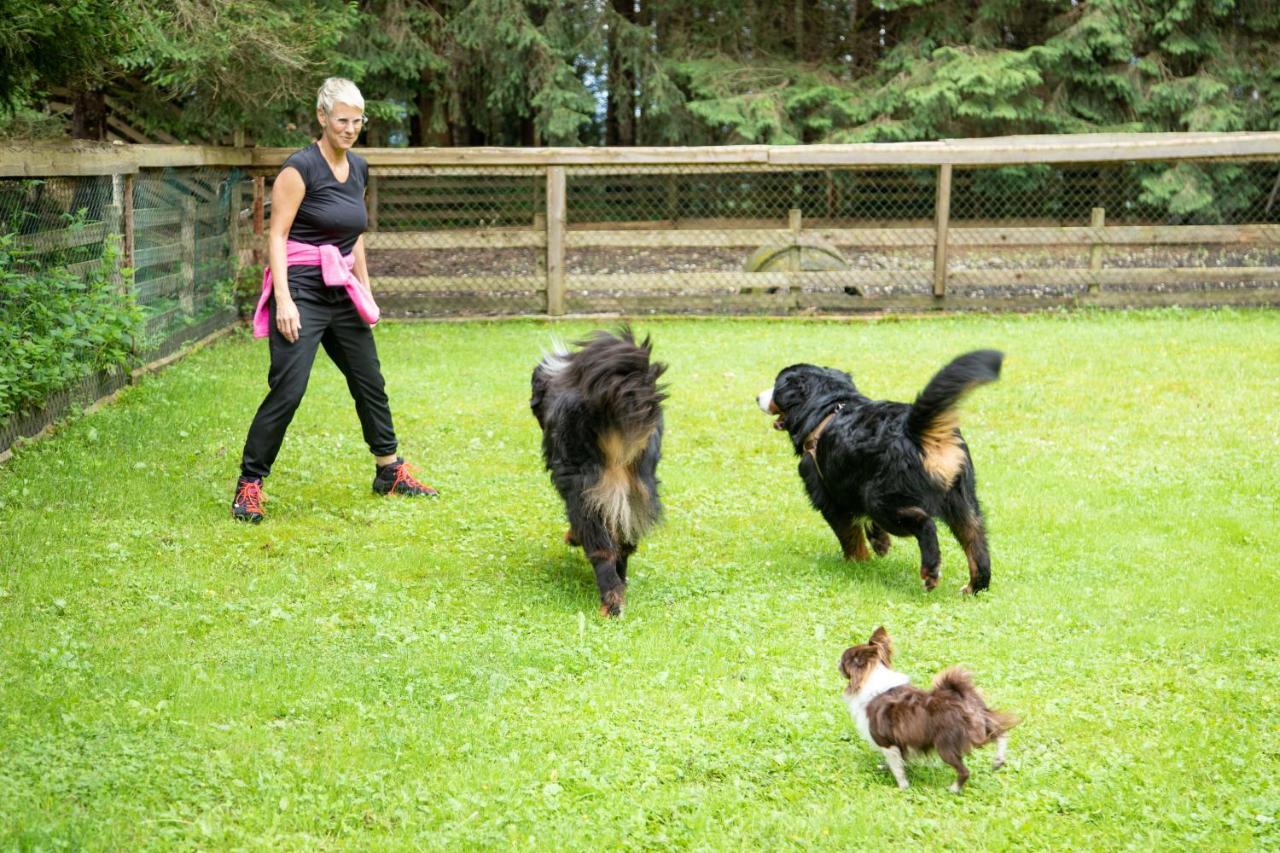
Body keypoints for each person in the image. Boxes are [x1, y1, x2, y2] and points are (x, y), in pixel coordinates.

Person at [232, 77, 435, 523]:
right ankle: (249, 484)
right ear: (322, 118)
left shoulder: (359, 167)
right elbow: (277, 235)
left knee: (370, 380)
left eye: (357, 120)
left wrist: (364, 289)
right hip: (302, 287)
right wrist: (284, 300)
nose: (350, 128)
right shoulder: (299, 169)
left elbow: (353, 235)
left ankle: (389, 471)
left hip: (341, 287)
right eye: (342, 119)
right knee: (289, 388)